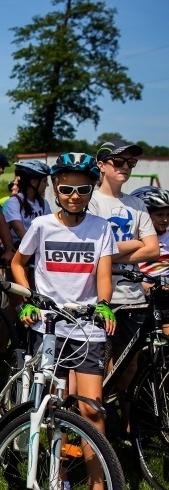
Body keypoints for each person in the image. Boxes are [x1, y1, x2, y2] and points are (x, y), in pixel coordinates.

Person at [11, 152, 116, 490]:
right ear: (56, 188)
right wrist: (28, 299)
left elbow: (104, 276)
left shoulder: (101, 229)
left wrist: (103, 303)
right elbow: (17, 263)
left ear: (92, 190)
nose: (74, 195)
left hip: (87, 329)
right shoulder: (42, 226)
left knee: (91, 409)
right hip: (49, 328)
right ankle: (58, 481)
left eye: (83, 188)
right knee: (55, 408)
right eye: (66, 188)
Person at [88, 139, 158, 435]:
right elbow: (91, 250)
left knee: (128, 365)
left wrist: (113, 251)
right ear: (102, 165)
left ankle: (129, 425)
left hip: (131, 296)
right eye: (119, 162)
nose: (126, 168)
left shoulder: (137, 203)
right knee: (97, 365)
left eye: (131, 163)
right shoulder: (90, 202)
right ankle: (92, 419)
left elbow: (153, 249)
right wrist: (134, 244)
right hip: (99, 294)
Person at [132, 186, 169, 335]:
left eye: (168, 214)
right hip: (138, 297)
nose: (165, 219)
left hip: (164, 297)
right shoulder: (134, 238)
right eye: (160, 214)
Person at [2, 160, 52, 249]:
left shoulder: (43, 203)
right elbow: (19, 231)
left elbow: (49, 229)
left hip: (37, 247)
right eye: (44, 181)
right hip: (20, 248)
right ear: (33, 182)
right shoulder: (14, 202)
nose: (47, 185)